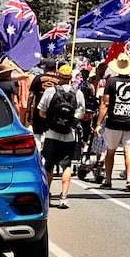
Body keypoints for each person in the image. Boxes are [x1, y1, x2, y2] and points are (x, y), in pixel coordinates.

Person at [95, 53, 130, 192]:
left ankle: (108, 180)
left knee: (110, 151)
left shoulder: (111, 82)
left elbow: (105, 104)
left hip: (114, 122)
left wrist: (98, 123)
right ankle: (129, 180)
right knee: (129, 151)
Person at [37, 66, 85, 209]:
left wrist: (52, 121)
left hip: (52, 134)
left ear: (58, 76)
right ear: (71, 78)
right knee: (66, 165)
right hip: (69, 135)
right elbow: (80, 114)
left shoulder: (50, 91)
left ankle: (47, 195)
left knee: (49, 165)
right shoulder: (78, 93)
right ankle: (64, 197)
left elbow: (41, 112)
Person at [29, 59, 62, 138]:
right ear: (55, 68)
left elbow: (31, 95)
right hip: (53, 112)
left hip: (38, 110)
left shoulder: (38, 78)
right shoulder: (59, 81)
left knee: (37, 135)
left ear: (45, 68)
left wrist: (28, 110)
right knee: (50, 135)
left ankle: (38, 145)